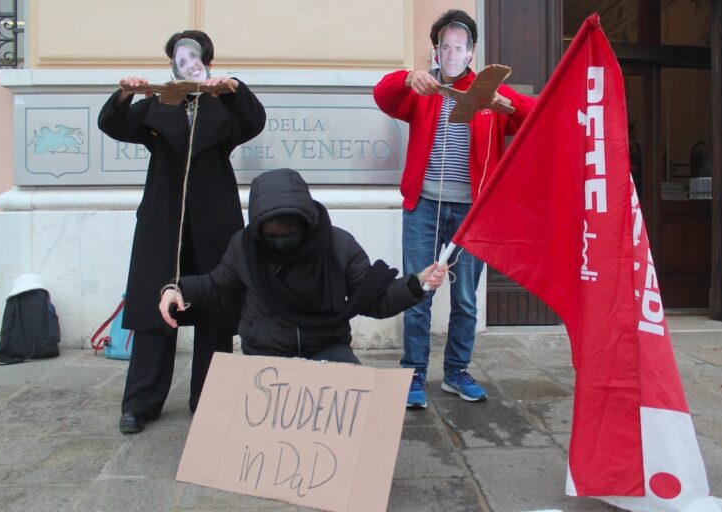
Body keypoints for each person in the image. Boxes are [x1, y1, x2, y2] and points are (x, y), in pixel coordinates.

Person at [98, 30, 266, 434]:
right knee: (152, 311)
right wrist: (126, 94)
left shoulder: (222, 105)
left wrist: (231, 88)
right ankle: (140, 404)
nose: (186, 61)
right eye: (179, 55)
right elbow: (112, 124)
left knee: (214, 307)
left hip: (214, 219)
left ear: (205, 58)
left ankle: (209, 399)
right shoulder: (158, 104)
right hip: (162, 219)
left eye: (193, 56)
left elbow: (254, 121)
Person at [373, 10, 536, 409]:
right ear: (436, 50)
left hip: (470, 214)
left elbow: (535, 115)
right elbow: (383, 95)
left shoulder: (487, 91)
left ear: (471, 52)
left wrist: (503, 105)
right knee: (419, 291)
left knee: (465, 297)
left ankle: (456, 372)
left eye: (459, 47)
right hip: (424, 206)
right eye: (444, 46)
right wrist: (407, 77)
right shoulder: (425, 89)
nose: (451, 53)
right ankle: (413, 373)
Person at [159, 168, 447, 364]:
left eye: (289, 233)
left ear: (307, 222)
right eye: (272, 235)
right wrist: (177, 288)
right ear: (259, 229)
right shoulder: (244, 247)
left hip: (327, 346)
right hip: (266, 348)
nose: (281, 242)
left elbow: (374, 300)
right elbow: (217, 285)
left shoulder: (339, 245)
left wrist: (417, 284)